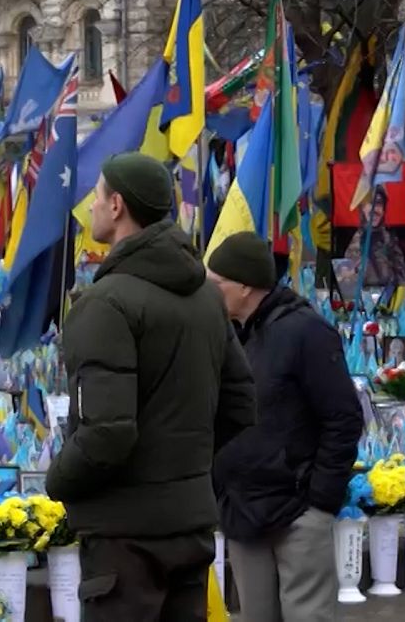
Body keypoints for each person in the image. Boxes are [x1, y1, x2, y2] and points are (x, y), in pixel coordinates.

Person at [43, 153, 256, 621]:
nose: (92, 208)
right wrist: (181, 470)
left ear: (117, 205)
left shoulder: (105, 303)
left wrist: (57, 480)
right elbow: (240, 405)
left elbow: (106, 432)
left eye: (97, 197)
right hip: (189, 526)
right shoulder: (205, 296)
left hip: (125, 539)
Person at [206, 232, 363, 622]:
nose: (206, 293)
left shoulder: (305, 332)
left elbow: (343, 418)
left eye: (214, 284)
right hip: (242, 509)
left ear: (244, 286)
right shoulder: (227, 337)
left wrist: (320, 501)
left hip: (297, 512)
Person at [343, 187, 405, 287]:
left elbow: (401, 275)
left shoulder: (389, 238)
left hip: (388, 295)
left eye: (379, 203)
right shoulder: (355, 239)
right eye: (370, 203)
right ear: (362, 208)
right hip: (363, 297)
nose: (374, 209)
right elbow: (346, 281)